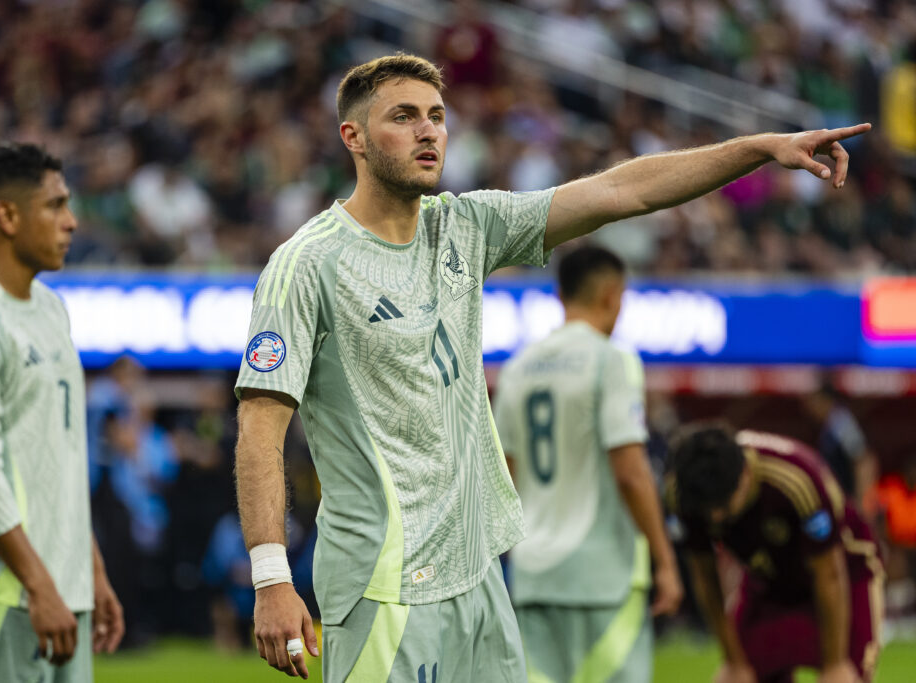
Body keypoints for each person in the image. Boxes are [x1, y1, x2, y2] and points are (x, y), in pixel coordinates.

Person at [233, 52, 870, 682]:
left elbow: (621, 190)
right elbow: (261, 425)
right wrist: (271, 578)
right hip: (384, 587)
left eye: (437, 115)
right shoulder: (308, 264)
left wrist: (759, 148)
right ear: (355, 138)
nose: (428, 131)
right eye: (404, 116)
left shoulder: (465, 226)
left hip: (480, 577)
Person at [0, 143, 124, 682]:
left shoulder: (50, 310)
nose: (72, 222)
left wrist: (90, 571)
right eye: (55, 206)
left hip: (60, 589)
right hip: (3, 595)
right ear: (7, 216)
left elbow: (58, 459)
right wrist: (37, 584)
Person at [492, 245, 683, 683]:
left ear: (560, 295)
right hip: (604, 575)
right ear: (612, 295)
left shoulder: (519, 367)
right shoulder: (611, 359)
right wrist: (665, 560)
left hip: (534, 573)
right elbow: (630, 472)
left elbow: (505, 474)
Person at [667, 426, 883, 683]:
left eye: (724, 505)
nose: (716, 518)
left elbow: (830, 574)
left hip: (845, 572)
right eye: (708, 510)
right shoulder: (684, 495)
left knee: (845, 678)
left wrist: (835, 664)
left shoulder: (795, 476)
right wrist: (733, 661)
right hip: (770, 580)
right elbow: (704, 576)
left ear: (745, 475)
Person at [802, 378, 876, 503]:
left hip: (847, 500)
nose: (810, 408)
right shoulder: (829, 425)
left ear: (825, 400)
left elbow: (864, 461)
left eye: (814, 401)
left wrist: (861, 500)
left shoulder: (841, 423)